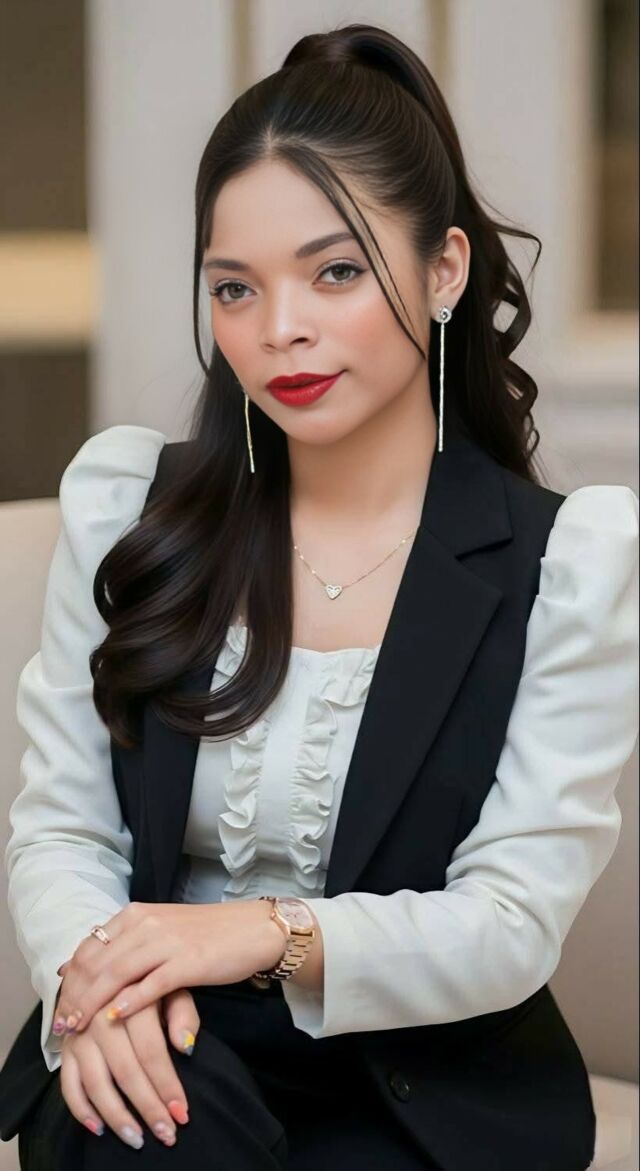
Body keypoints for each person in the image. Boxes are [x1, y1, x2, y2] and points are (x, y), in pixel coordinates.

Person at [1, 21, 638, 1171]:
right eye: (233, 288)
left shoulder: (565, 563)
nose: (278, 328)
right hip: (167, 1042)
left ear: (444, 270)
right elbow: (62, 827)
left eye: (334, 271)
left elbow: (509, 919)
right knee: (150, 1127)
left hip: (424, 1091)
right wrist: (94, 991)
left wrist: (256, 933)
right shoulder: (129, 507)